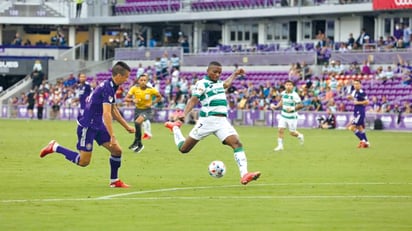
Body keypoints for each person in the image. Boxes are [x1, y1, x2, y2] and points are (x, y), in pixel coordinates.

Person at [39, 61, 136, 188]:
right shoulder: (107, 87)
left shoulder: (112, 86)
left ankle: (114, 181)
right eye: (126, 77)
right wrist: (112, 135)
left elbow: (113, 109)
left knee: (117, 151)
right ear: (118, 76)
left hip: (97, 123)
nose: (127, 79)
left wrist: (126, 126)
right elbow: (107, 114)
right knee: (84, 162)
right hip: (87, 126)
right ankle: (55, 147)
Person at [164, 61, 261, 185]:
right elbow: (193, 100)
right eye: (214, 72)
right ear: (208, 71)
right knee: (184, 149)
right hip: (207, 121)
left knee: (236, 143)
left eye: (219, 72)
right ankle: (175, 128)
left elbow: (226, 84)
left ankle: (244, 175)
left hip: (222, 122)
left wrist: (235, 74)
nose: (217, 75)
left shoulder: (219, 84)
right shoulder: (202, 83)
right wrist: (185, 113)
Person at [125, 73, 162, 153]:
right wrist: (132, 100)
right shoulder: (134, 88)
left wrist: (152, 102)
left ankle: (140, 144)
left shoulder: (151, 89)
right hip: (137, 110)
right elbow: (126, 98)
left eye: (145, 80)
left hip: (147, 110)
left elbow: (159, 96)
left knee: (138, 122)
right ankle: (136, 142)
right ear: (138, 81)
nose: (143, 82)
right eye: (141, 80)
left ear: (147, 81)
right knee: (137, 125)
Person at [271, 80, 304, 151]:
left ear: (292, 86)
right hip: (283, 115)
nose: (288, 86)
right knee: (280, 130)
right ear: (285, 86)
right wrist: (276, 106)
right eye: (287, 85)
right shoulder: (283, 93)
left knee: (292, 133)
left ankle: (300, 135)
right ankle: (280, 146)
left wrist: (293, 108)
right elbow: (282, 101)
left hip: (292, 116)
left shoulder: (295, 95)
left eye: (290, 85)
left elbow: (301, 105)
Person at [347, 79, 370, 148]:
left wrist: (358, 103)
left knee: (351, 127)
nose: (355, 85)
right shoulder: (354, 92)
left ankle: (362, 140)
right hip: (356, 110)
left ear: (360, 85)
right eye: (354, 84)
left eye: (357, 84)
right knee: (360, 127)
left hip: (360, 111)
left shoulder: (362, 92)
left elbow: (367, 102)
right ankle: (367, 142)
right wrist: (350, 97)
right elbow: (353, 98)